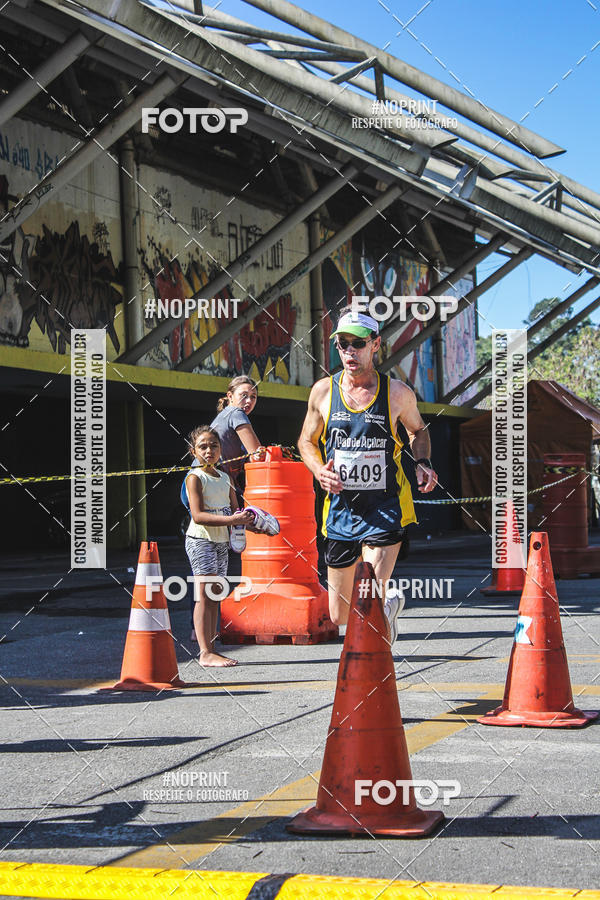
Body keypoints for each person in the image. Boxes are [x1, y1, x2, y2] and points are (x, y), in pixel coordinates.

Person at [298, 308, 438, 644]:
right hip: (340, 511)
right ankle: (390, 602)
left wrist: (423, 462)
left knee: (368, 595)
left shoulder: (397, 393)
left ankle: (381, 615)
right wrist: (319, 471)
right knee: (339, 615)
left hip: (385, 506)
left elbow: (418, 431)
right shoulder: (322, 392)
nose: (348, 351)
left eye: (357, 343)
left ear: (375, 344)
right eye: (342, 344)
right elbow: (305, 441)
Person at [189, 376, 263, 643]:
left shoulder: (225, 417)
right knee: (207, 577)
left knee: (212, 578)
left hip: (220, 489)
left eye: (253, 397)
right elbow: (257, 452)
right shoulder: (234, 413)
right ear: (230, 396)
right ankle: (203, 640)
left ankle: (206, 632)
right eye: (244, 395)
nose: (248, 401)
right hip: (209, 492)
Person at [185, 425, 253, 666]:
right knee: (204, 595)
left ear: (221, 449)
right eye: (202, 446)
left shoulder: (225, 478)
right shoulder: (195, 477)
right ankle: (205, 653)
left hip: (222, 540)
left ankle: (211, 648)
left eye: (214, 445)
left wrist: (251, 521)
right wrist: (232, 520)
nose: (209, 450)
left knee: (215, 595)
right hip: (200, 539)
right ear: (193, 451)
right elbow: (198, 516)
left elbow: (237, 511)